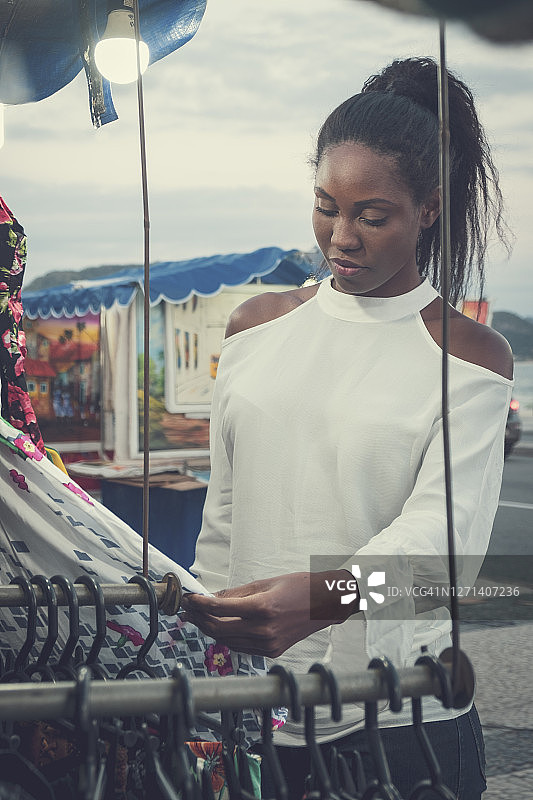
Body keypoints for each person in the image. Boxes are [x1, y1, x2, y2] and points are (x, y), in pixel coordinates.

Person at [182, 57, 513, 798]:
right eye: (325, 207)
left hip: (399, 720)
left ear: (428, 208)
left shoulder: (467, 356)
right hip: (251, 709)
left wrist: (323, 596)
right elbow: (223, 522)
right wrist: (204, 665)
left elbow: (443, 548)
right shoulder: (254, 328)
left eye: (372, 215)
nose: (341, 237)